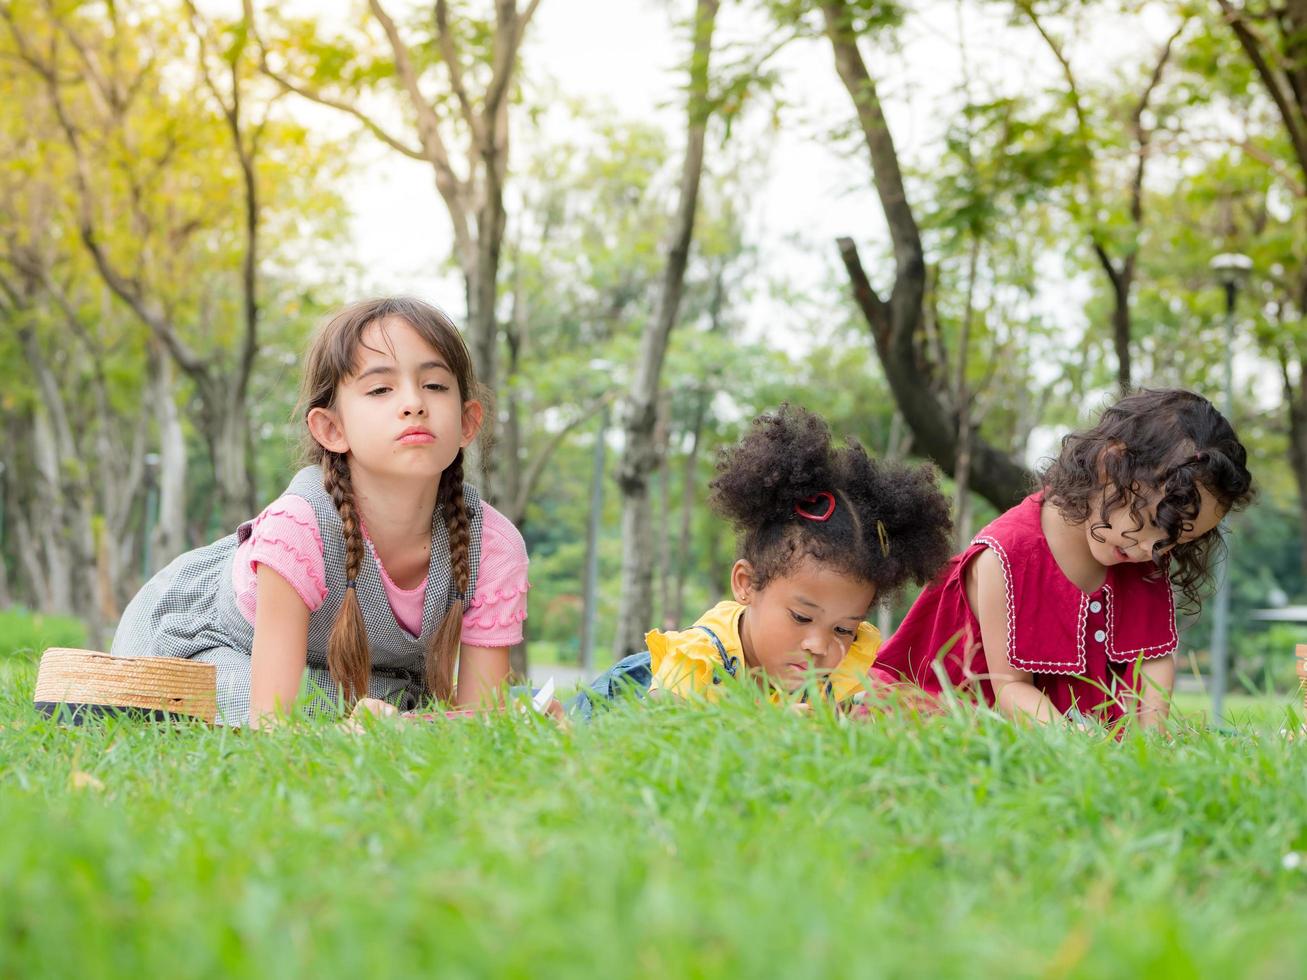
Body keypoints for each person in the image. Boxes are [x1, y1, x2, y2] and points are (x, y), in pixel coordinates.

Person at [111, 297, 528, 727]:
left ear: (467, 421)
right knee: (318, 710)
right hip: (211, 642)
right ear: (332, 428)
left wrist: (418, 725)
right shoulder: (300, 527)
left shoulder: (492, 545)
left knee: (392, 706)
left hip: (359, 675)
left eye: (435, 386)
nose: (413, 403)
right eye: (380, 388)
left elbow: (481, 720)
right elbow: (272, 720)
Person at [872, 389, 1254, 728]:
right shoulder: (1006, 556)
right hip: (964, 717)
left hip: (1079, 729)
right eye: (1154, 520)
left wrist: (1149, 745)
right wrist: (1075, 745)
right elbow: (1010, 688)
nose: (1150, 549)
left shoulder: (1140, 555)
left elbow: (1153, 661)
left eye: (1174, 540)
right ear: (1111, 465)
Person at [573, 405, 954, 716]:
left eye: (844, 630)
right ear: (746, 584)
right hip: (625, 704)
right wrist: (765, 727)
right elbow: (665, 737)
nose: (819, 644)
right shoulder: (700, 658)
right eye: (802, 617)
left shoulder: (826, 670)